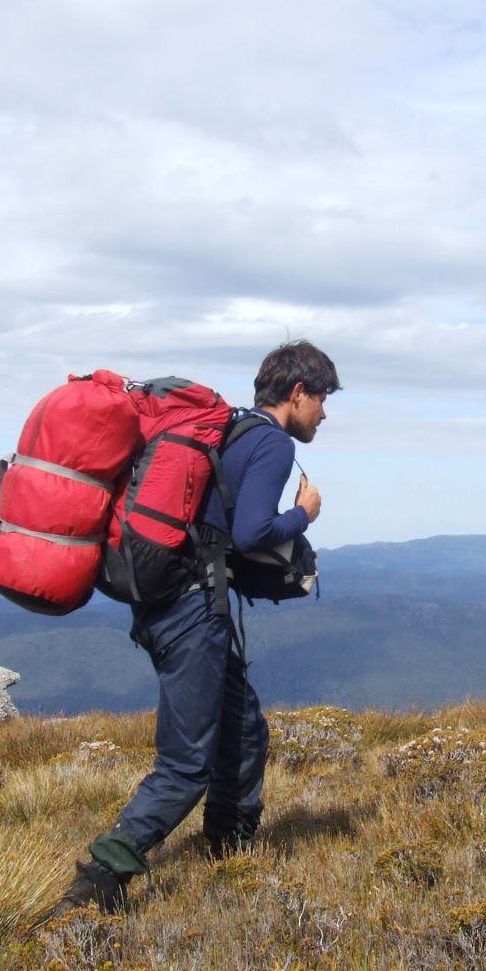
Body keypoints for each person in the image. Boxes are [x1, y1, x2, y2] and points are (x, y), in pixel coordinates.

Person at [58, 340, 337, 912]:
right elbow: (255, 531)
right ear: (298, 393)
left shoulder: (229, 431)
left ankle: (228, 856)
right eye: (322, 399)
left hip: (164, 602)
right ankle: (98, 883)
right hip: (189, 609)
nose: (324, 414)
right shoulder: (271, 444)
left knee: (244, 728)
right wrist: (304, 514)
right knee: (187, 764)